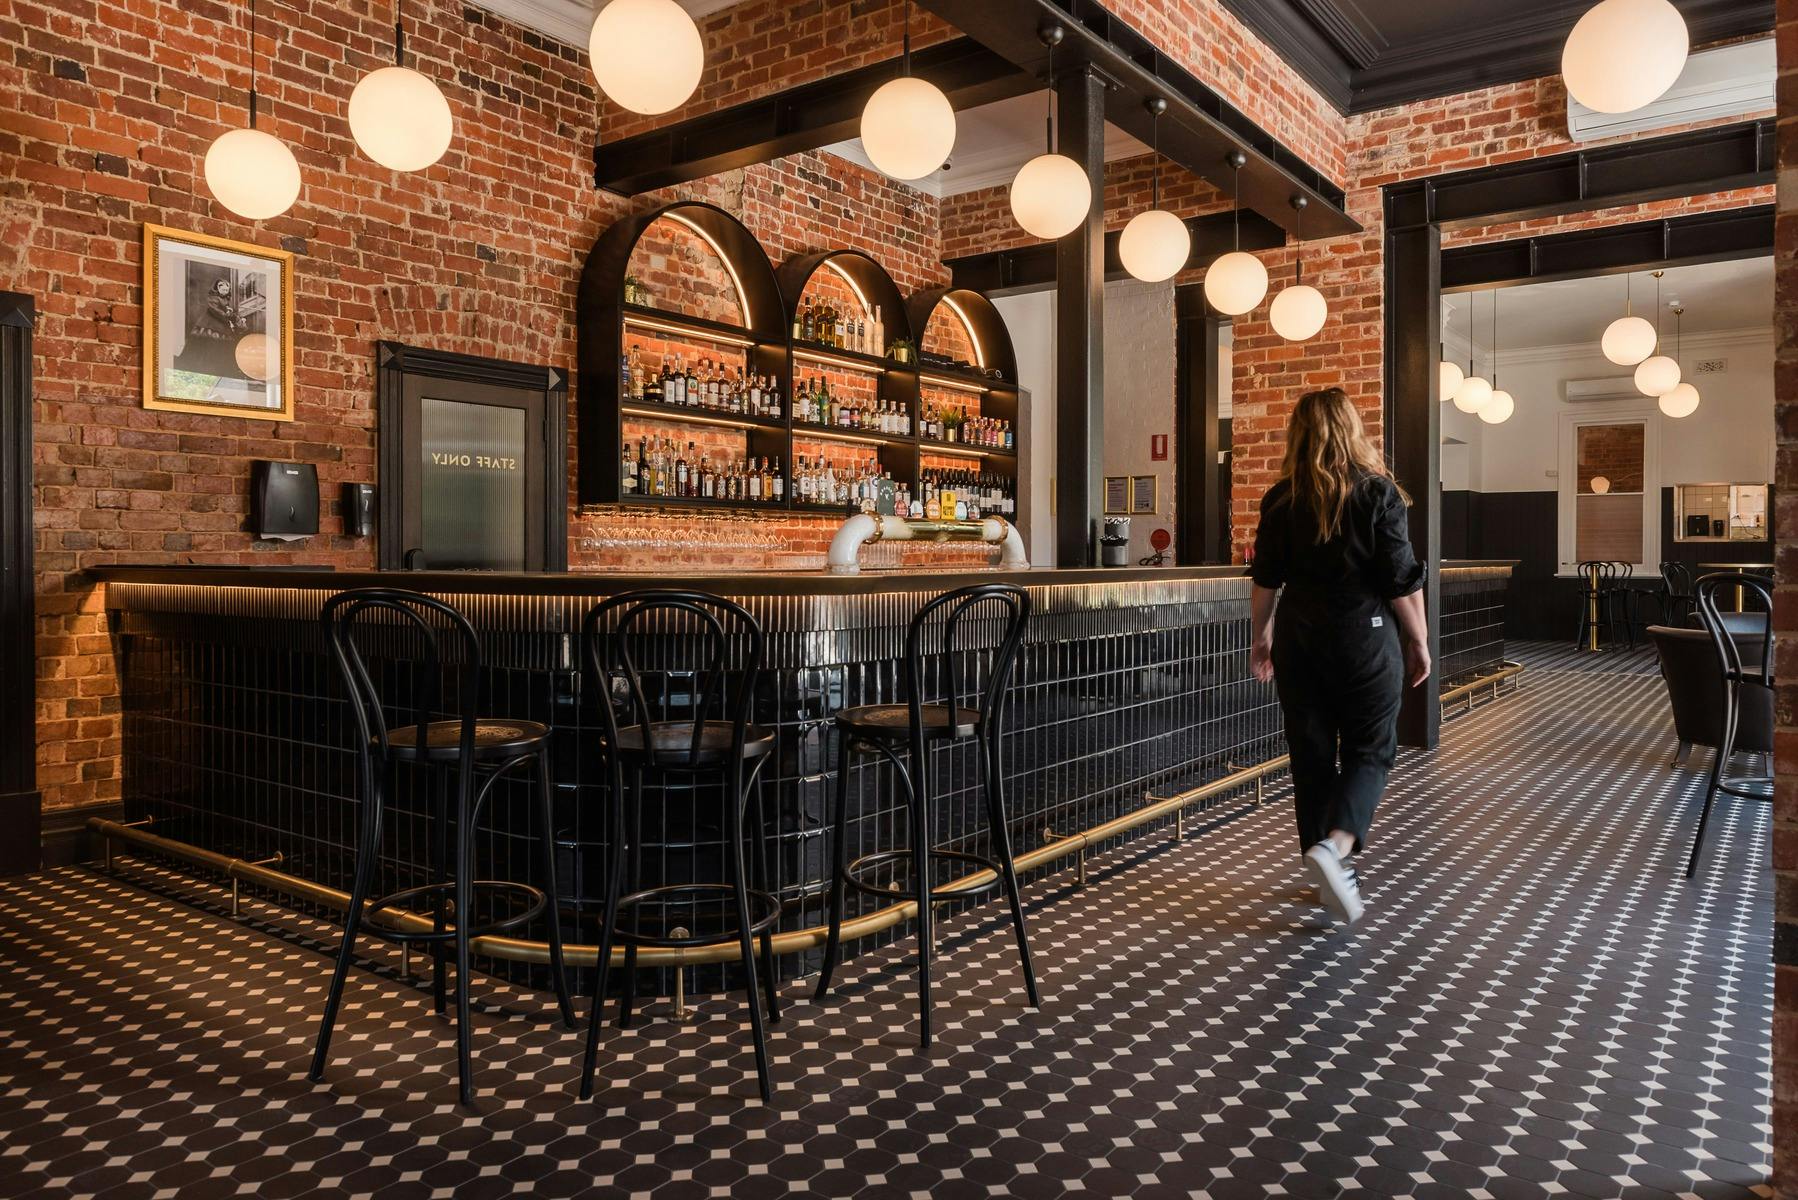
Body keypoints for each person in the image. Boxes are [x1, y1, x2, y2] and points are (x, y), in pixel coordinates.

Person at [1247, 387, 1429, 926]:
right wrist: (1418, 641)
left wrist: (1261, 637)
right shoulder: (1377, 493)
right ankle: (1336, 846)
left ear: (1296, 435)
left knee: (1311, 756)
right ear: (1352, 428)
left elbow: (1265, 581)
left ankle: (1323, 867)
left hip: (1299, 640)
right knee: (1371, 750)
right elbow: (1401, 581)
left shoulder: (1281, 498)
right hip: (1364, 640)